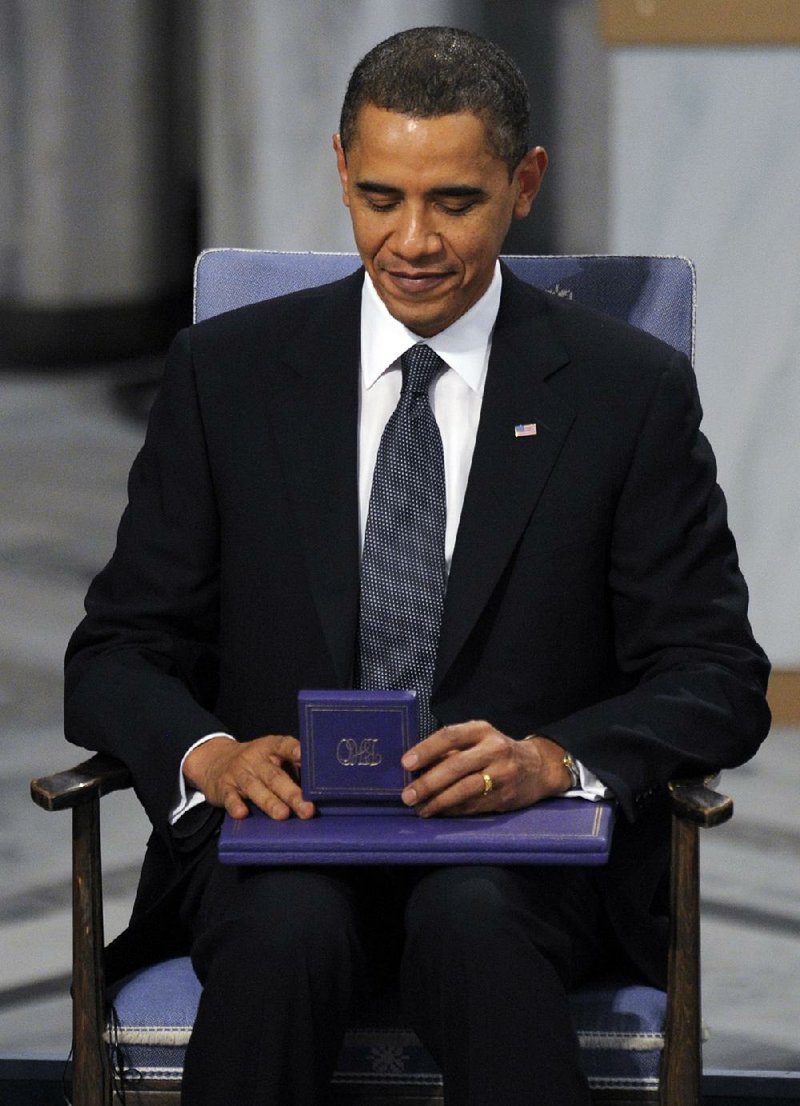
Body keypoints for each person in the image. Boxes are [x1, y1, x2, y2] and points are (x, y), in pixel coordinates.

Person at [64, 25, 770, 1106]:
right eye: (381, 195)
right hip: (277, 845)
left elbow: (715, 672)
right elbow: (112, 652)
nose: (412, 240)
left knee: (472, 920)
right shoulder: (228, 375)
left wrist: (551, 759)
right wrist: (208, 754)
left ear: (522, 183)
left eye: (453, 201)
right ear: (340, 167)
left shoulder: (621, 393)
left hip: (514, 854)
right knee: (287, 931)